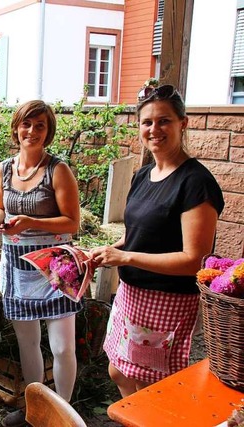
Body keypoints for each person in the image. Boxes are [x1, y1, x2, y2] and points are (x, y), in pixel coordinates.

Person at [89, 84, 224, 398]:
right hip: (131, 296)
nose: (154, 129)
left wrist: (126, 258)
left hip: (166, 301)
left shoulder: (195, 182)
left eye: (164, 120)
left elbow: (194, 261)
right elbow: (140, 234)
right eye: (147, 122)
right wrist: (114, 249)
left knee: (154, 389)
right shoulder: (143, 175)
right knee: (118, 370)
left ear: (182, 123)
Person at [0, 100, 81, 427]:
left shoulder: (57, 170)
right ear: (16, 128)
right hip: (17, 264)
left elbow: (72, 223)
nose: (31, 132)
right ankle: (36, 410)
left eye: (40, 126)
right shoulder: (2, 169)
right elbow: (1, 210)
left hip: (56, 265)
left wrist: (30, 221)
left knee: (62, 348)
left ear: (48, 133)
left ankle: (62, 414)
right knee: (28, 343)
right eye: (26, 125)